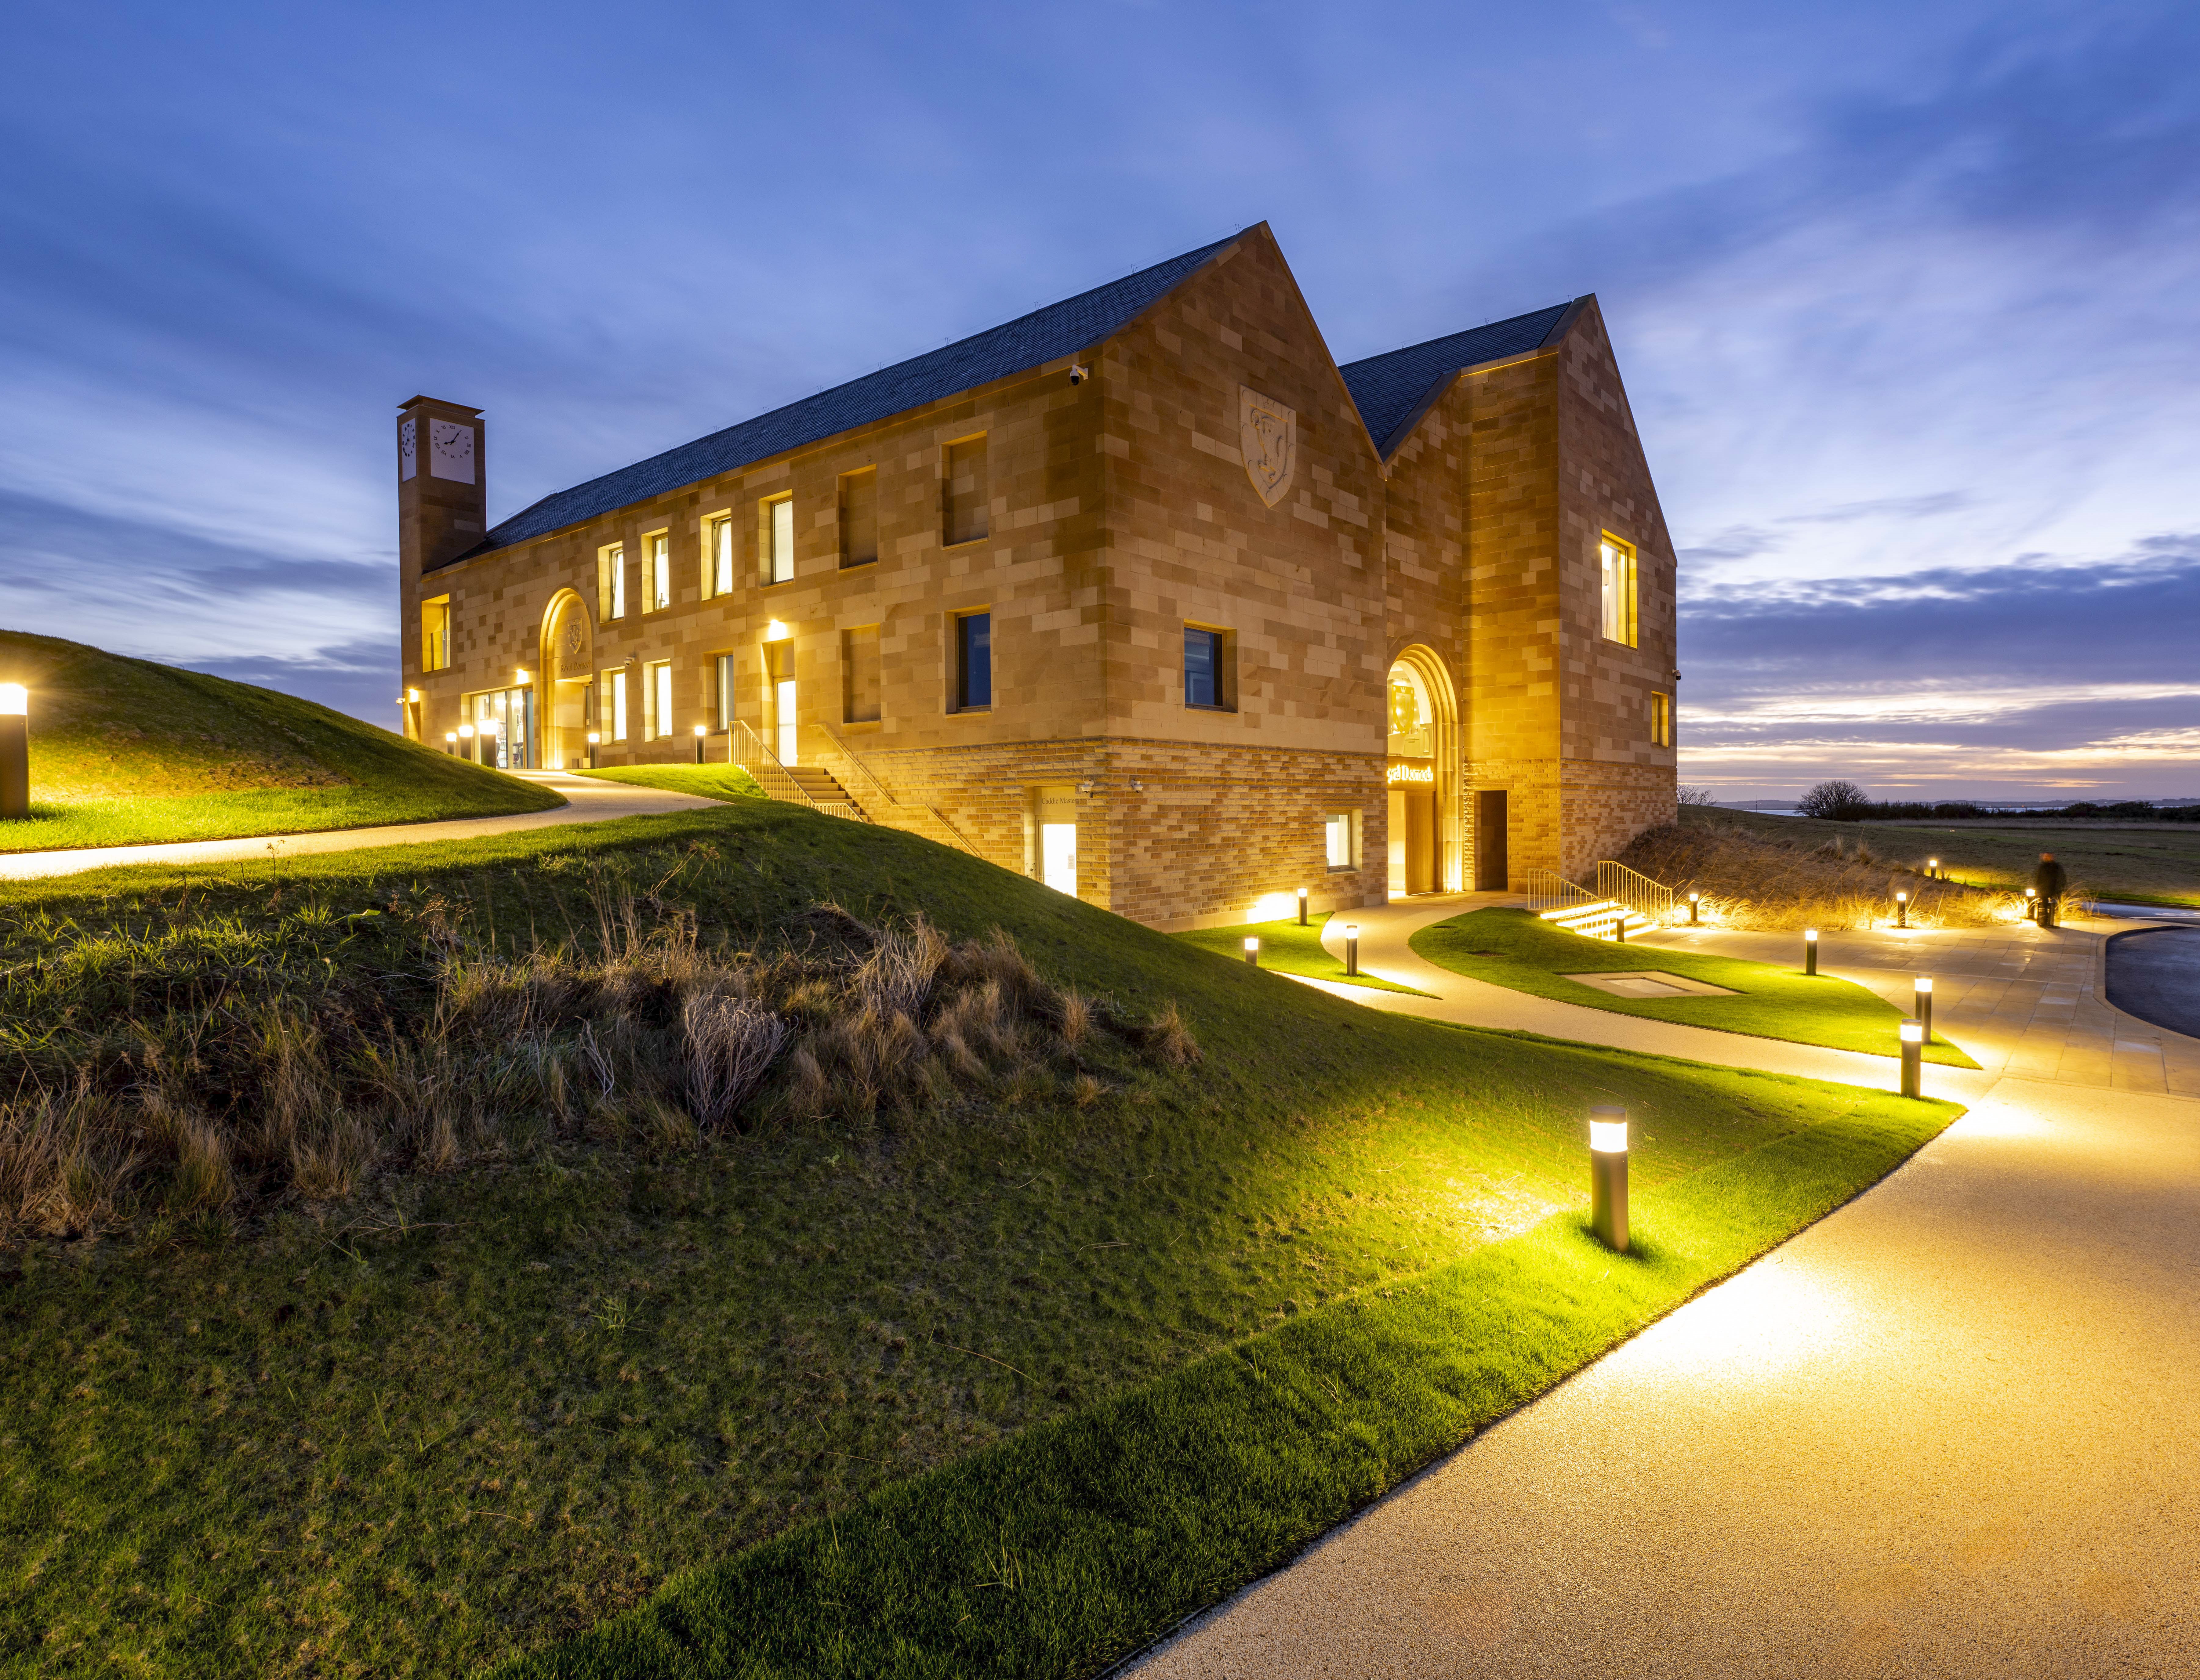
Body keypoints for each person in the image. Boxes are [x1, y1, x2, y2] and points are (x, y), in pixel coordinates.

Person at [2033, 852, 2067, 928]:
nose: (2046, 858)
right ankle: (2044, 922)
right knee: (2044, 906)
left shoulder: (2056, 867)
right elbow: (2038, 878)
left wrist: (2061, 888)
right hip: (2044, 890)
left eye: (2048, 857)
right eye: (2045, 857)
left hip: (2054, 890)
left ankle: (2051, 923)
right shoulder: (2042, 867)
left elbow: (2061, 878)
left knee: (2054, 906)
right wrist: (2038, 888)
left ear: (2052, 857)